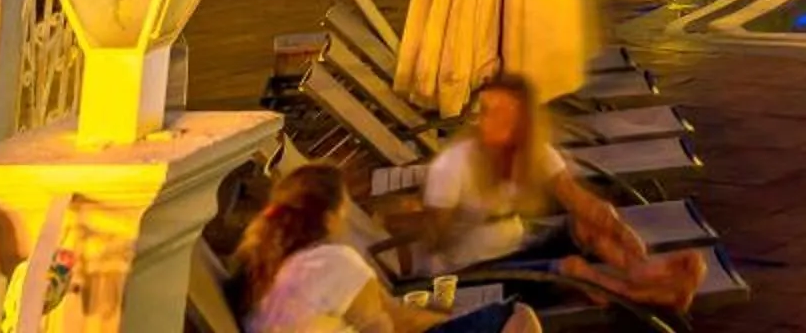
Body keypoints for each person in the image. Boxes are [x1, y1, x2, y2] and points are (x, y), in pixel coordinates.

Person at [414, 76, 702, 313]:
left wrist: (622, 232)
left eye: (503, 112)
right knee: (572, 269)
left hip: (518, 250)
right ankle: (640, 297)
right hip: (471, 275)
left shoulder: (531, 153)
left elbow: (581, 202)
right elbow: (431, 242)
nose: (488, 120)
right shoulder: (453, 165)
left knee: (588, 225)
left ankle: (642, 272)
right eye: (486, 110)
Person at [236, 165, 534, 333]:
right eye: (345, 209)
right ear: (328, 217)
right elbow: (391, 325)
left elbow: (386, 313)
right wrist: (448, 319)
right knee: (517, 317)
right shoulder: (330, 263)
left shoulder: (265, 270)